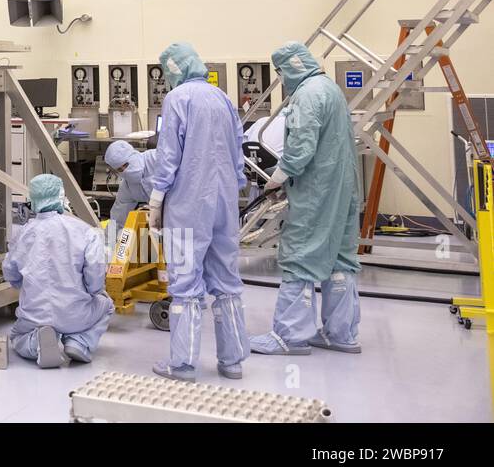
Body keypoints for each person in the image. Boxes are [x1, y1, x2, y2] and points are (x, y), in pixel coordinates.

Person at [250, 42, 363, 356]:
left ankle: (291, 335)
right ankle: (340, 333)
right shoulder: (330, 88)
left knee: (300, 255)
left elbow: (301, 145)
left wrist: (279, 177)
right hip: (342, 190)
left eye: (280, 72)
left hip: (317, 192)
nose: (281, 78)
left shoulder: (307, 95)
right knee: (340, 259)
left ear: (289, 68)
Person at [147, 42, 250, 381]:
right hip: (224, 202)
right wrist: (235, 185)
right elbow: (238, 149)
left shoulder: (178, 99)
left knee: (185, 282)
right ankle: (232, 361)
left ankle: (183, 364)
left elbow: (169, 156)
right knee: (226, 279)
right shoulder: (222, 98)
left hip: (189, 205)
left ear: (172, 70)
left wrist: (157, 199)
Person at [3, 174, 114, 367]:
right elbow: (95, 278)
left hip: (34, 315)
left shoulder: (23, 233)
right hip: (75, 314)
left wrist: (24, 285)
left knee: (17, 336)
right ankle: (79, 342)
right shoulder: (85, 231)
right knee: (107, 304)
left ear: (33, 200)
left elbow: (10, 272)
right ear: (61, 197)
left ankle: (37, 341)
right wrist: (92, 292)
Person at [103, 140, 160, 234]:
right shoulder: (128, 186)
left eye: (125, 165)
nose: (125, 171)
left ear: (133, 155)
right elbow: (118, 219)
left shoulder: (157, 158)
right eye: (119, 170)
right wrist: (108, 244)